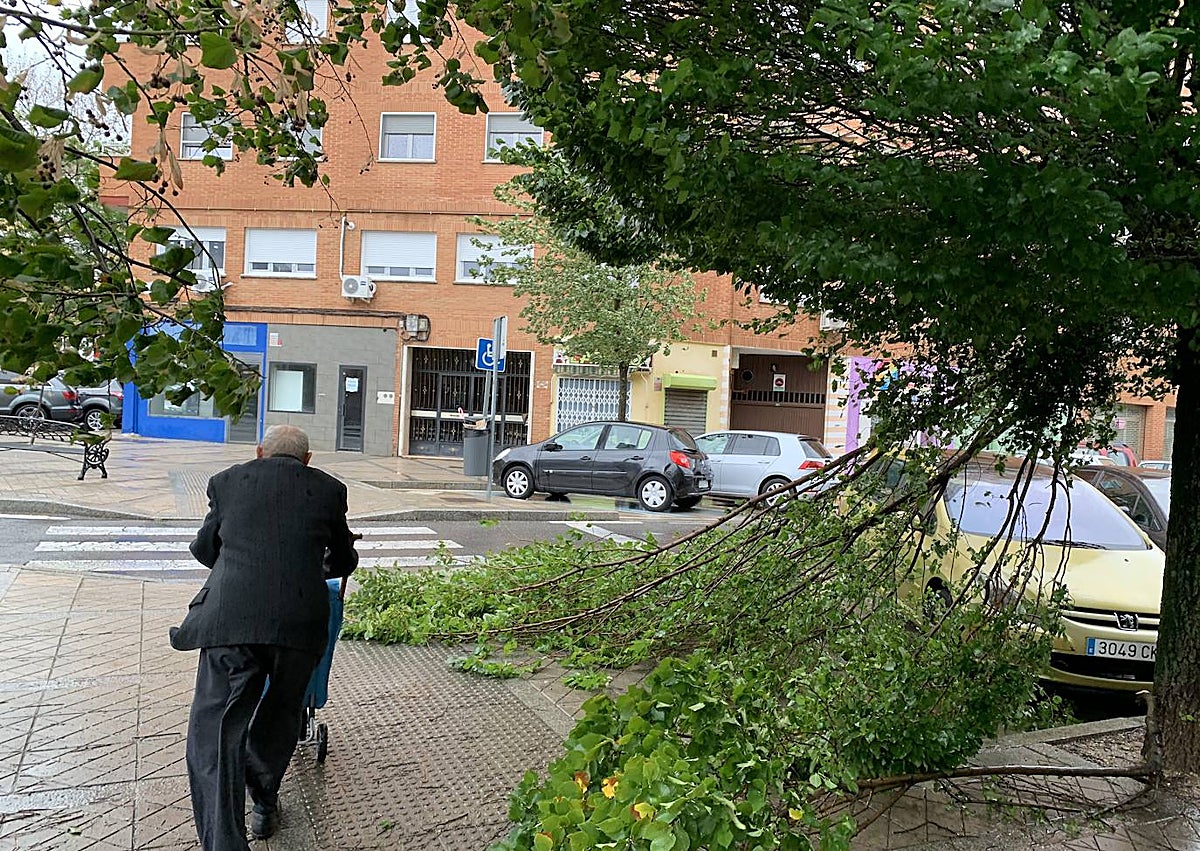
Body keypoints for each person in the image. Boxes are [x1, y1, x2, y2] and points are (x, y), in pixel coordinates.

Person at [169, 424, 359, 849]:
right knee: (279, 717)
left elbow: (204, 550)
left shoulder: (226, 482)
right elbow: (344, 559)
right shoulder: (329, 489)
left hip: (229, 624)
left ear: (259, 452)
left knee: (214, 735)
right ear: (307, 460)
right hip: (298, 626)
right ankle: (263, 798)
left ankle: (224, 843)